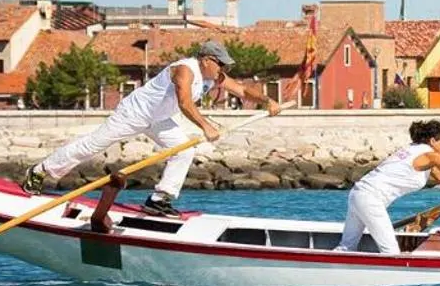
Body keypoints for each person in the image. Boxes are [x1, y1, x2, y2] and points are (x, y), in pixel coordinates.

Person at [19, 39, 279, 216]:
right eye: (221, 64)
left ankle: (159, 200)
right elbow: (185, 103)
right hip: (134, 113)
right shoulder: (184, 71)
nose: (224, 69)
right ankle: (39, 172)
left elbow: (243, 90)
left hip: (159, 120)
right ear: (207, 60)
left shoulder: (215, 76)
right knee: (92, 145)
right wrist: (206, 126)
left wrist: (267, 101)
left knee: (183, 150)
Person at [338, 119, 440, 253]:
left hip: (358, 194)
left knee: (346, 247)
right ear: (432, 141)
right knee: (391, 252)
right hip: (370, 199)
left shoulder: (412, 150)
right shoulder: (428, 155)